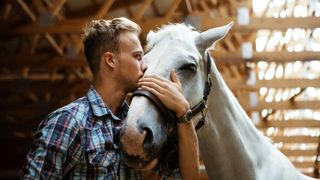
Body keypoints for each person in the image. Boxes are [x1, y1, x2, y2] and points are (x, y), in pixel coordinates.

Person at [22, 17, 199, 179]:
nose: (145, 66)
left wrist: (184, 112)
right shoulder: (68, 122)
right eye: (138, 57)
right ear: (111, 61)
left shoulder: (143, 124)